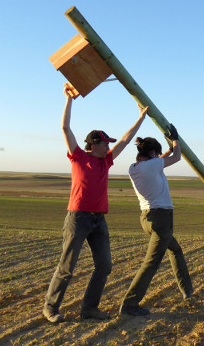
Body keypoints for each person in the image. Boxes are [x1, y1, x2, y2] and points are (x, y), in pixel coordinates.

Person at [42, 83, 148, 323]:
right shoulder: (78, 157)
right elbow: (65, 127)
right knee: (67, 266)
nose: (109, 147)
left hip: (99, 220)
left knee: (105, 266)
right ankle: (50, 307)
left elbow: (125, 139)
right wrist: (69, 100)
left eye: (109, 144)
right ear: (94, 144)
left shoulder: (106, 162)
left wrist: (140, 118)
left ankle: (89, 308)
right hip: (78, 217)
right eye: (105, 143)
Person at [119, 125, 193, 316]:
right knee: (151, 263)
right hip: (161, 218)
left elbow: (158, 161)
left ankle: (188, 291)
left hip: (147, 217)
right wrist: (176, 140)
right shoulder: (151, 165)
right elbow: (176, 157)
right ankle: (129, 304)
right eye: (157, 153)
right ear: (152, 152)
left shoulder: (135, 168)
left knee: (175, 250)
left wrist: (166, 149)